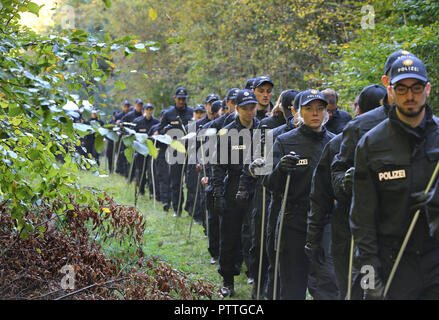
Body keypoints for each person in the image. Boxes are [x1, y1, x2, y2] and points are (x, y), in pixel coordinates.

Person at [350, 56, 439, 300]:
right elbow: (362, 219)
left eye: (416, 88)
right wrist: (369, 280)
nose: (410, 95)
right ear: (390, 91)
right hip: (395, 264)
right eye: (401, 88)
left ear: (427, 89)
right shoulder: (371, 144)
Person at [330, 49, 415, 298]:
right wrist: (346, 182)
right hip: (370, 238)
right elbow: (337, 174)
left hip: (418, 240)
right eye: (400, 81)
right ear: (387, 82)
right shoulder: (360, 127)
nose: (408, 90)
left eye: (415, 84)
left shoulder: (431, 129)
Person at [263, 89, 334, 299]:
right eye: (309, 109)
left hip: (325, 223)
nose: (315, 113)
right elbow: (267, 182)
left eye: (320, 109)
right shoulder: (284, 141)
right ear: (298, 112)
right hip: (293, 223)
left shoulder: (336, 142)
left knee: (328, 285)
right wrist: (280, 169)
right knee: (292, 286)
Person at [212, 89, 260, 297]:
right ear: (237, 109)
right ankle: (228, 280)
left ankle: (257, 276)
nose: (250, 112)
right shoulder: (227, 132)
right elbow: (218, 167)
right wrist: (218, 193)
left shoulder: (263, 130)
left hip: (256, 187)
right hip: (232, 186)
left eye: (253, 108)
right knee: (229, 236)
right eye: (245, 108)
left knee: (256, 236)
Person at [158, 87, 194, 217]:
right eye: (179, 99)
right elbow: (160, 131)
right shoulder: (168, 114)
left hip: (190, 151)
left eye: (183, 99)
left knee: (191, 181)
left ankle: (189, 207)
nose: (181, 101)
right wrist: (166, 130)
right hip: (174, 152)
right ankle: (177, 209)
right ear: (175, 98)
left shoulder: (192, 112)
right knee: (176, 182)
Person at [132, 103, 160, 196]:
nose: (149, 111)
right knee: (141, 171)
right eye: (147, 109)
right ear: (144, 111)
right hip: (140, 150)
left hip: (151, 150)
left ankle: (152, 192)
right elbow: (133, 135)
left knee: (151, 171)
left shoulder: (156, 122)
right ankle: (141, 190)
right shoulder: (137, 121)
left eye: (151, 109)